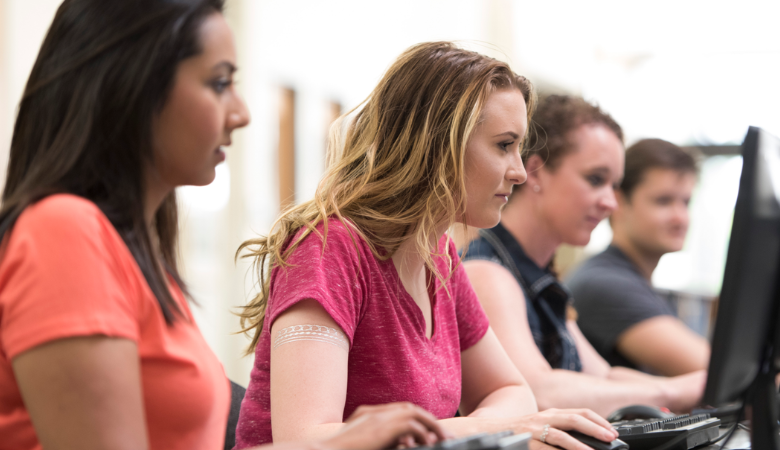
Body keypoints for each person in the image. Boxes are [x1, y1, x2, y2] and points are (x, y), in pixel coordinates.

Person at [0, 1, 448, 449]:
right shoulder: (61, 234)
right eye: (218, 83)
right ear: (134, 88)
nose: (242, 113)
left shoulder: (133, 249)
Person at [234, 42, 618, 450]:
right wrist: (484, 430)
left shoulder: (440, 257)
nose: (520, 172)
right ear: (438, 144)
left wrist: (482, 431)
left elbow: (512, 391)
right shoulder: (329, 249)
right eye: (504, 146)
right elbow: (305, 440)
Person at [462, 95, 705, 417]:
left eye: (614, 185)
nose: (610, 202)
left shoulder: (538, 276)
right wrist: (677, 389)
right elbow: (538, 390)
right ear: (535, 172)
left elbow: (603, 376)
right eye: (595, 180)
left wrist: (693, 389)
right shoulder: (487, 270)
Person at [565, 138, 710, 377]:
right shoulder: (605, 284)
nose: (680, 217)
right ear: (618, 202)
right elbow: (717, 373)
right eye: (663, 201)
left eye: (686, 202)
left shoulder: (629, 278)